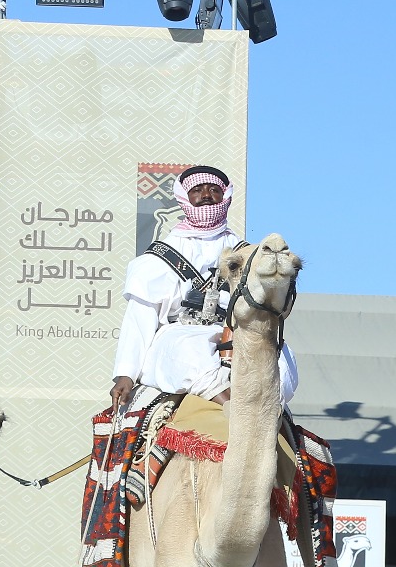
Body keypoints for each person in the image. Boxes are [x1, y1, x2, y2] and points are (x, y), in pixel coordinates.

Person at [110, 165, 298, 411]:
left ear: (226, 197)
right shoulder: (158, 257)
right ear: (183, 198)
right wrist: (125, 373)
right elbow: (139, 318)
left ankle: (264, 416)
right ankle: (232, 410)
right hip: (180, 333)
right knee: (191, 352)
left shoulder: (248, 254)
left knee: (281, 358)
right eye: (197, 190)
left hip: (235, 332)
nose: (206, 195)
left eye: (214, 190)